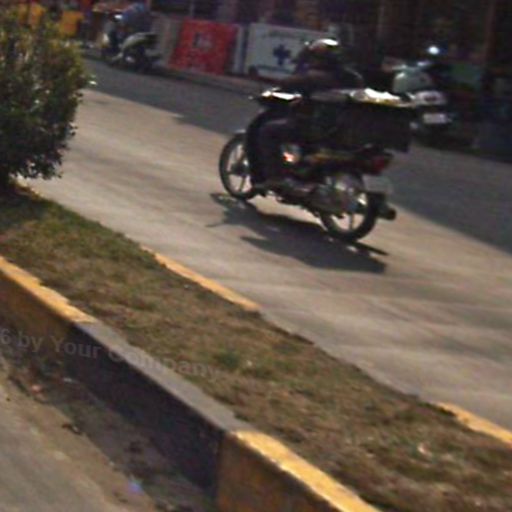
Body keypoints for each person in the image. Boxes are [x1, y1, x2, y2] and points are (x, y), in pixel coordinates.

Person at [257, 39, 364, 192]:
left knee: (268, 131)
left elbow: (287, 84)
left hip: (315, 128)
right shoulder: (354, 78)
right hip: (343, 130)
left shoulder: (313, 77)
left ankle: (275, 177)